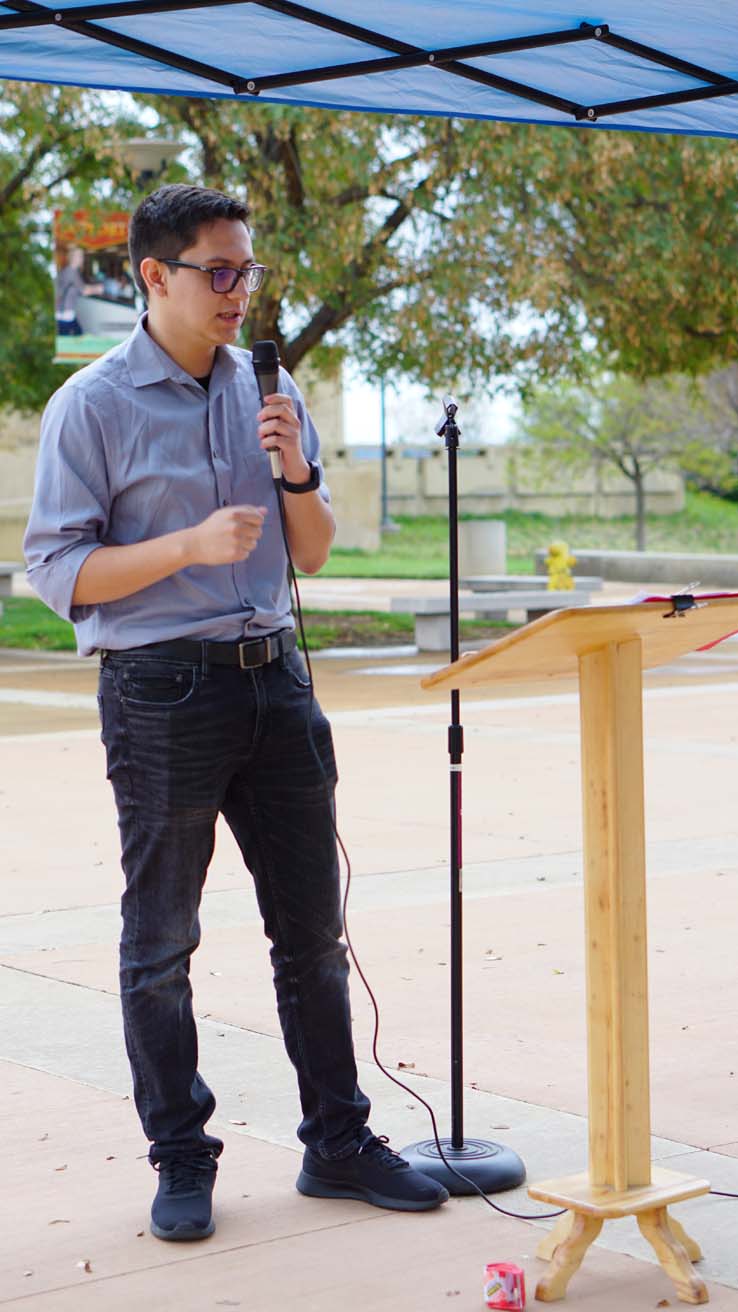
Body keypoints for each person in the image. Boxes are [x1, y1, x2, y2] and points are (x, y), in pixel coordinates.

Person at [25, 184, 448, 1242]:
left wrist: (298, 468)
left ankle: (338, 1141)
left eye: (247, 271)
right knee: (161, 941)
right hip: (162, 690)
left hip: (278, 681)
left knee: (311, 935)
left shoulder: (270, 384)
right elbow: (58, 571)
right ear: (153, 276)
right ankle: (181, 1155)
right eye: (218, 271)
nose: (238, 292)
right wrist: (185, 546)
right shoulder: (93, 404)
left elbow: (311, 551)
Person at [54, 246, 102, 334]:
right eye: (80, 256)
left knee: (77, 334)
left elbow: (80, 287)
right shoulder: (71, 272)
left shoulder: (69, 271)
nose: (82, 259)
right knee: (75, 336)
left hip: (64, 313)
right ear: (74, 258)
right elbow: (84, 291)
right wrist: (98, 289)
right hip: (65, 314)